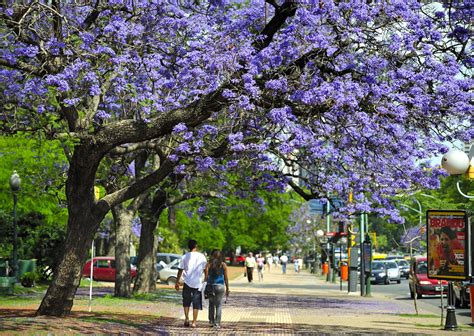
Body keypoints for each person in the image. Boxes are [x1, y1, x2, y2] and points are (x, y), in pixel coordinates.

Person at [175, 239, 207, 328]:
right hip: (198, 283)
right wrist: (206, 279)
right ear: (196, 246)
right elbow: (206, 269)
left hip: (187, 282)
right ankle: (194, 322)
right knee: (196, 303)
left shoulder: (184, 256)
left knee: (186, 301)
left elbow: (180, 270)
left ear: (188, 247)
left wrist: (177, 281)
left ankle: (186, 318)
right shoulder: (202, 256)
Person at [204, 249, 229, 329]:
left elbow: (206, 277)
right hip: (220, 286)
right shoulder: (223, 265)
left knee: (211, 304)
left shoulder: (208, 265)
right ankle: (217, 323)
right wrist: (228, 288)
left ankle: (211, 322)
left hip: (210, 286)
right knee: (218, 305)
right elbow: (226, 278)